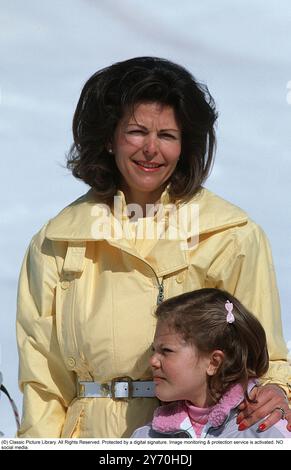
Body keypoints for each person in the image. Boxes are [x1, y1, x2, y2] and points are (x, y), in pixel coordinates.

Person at [16, 57, 291, 438]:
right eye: (136, 131)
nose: (150, 149)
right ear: (109, 138)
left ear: (185, 146)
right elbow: (42, 381)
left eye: (167, 135)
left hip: (193, 435)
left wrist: (277, 389)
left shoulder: (231, 234)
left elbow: (263, 355)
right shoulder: (57, 241)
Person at [131, 288, 290, 438]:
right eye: (154, 350)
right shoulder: (145, 437)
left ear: (214, 362)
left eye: (166, 350)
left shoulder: (271, 432)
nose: (152, 361)